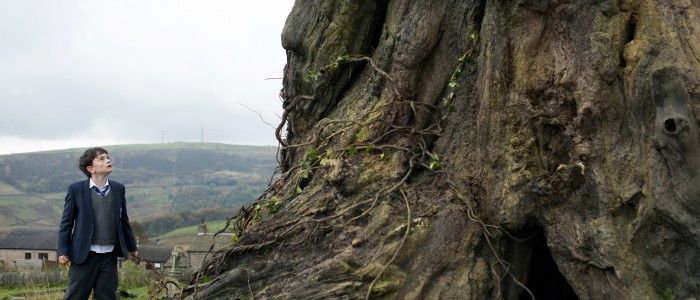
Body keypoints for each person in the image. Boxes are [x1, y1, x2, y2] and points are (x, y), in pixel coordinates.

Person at [57, 147, 139, 299]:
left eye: (107, 157)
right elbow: (66, 223)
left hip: (109, 256)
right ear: (91, 168)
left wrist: (132, 247)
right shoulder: (76, 189)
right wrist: (63, 250)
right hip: (84, 256)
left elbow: (124, 221)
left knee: (107, 296)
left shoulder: (118, 189)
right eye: (101, 158)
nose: (107, 160)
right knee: (75, 297)